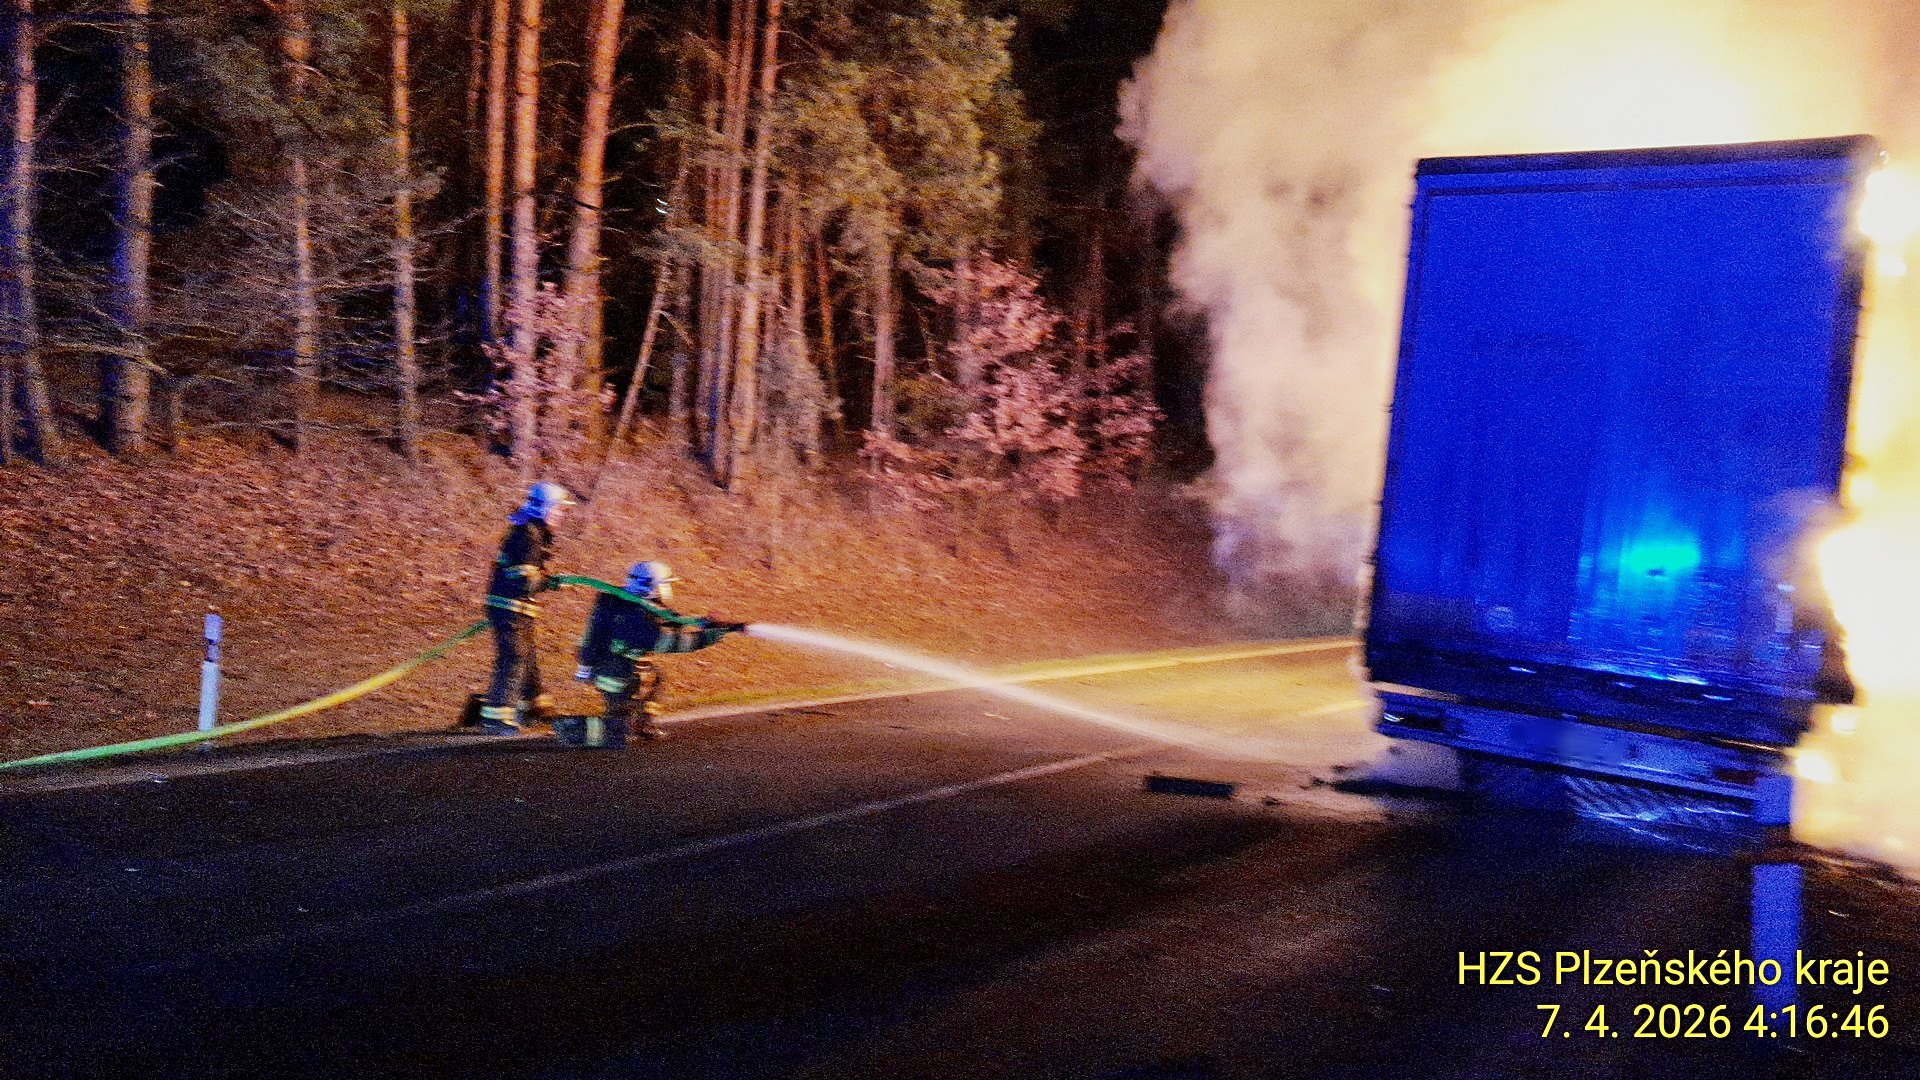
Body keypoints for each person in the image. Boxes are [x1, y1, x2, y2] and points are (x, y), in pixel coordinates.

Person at [560, 560, 746, 748]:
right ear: (651, 584)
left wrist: (708, 622)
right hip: (613, 671)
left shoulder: (626, 600)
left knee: (654, 678)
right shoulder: (632, 616)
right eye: (663, 584)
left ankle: (640, 724)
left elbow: (671, 619)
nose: (665, 589)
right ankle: (573, 729)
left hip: (615, 663)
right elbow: (671, 642)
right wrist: (711, 635)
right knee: (618, 727)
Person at [477, 481, 573, 735]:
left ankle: (533, 706)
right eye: (559, 509)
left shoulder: (532, 532)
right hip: (509, 609)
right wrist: (550, 582)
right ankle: (497, 717)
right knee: (514, 657)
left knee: (526, 656)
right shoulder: (528, 535)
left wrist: (547, 580)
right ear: (544, 508)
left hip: (516, 609)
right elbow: (523, 579)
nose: (562, 515)